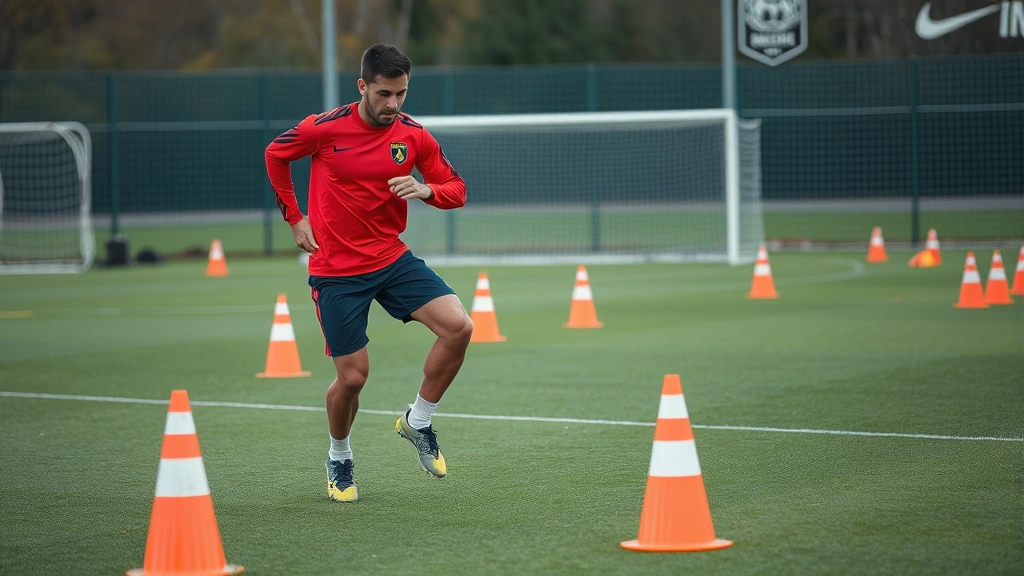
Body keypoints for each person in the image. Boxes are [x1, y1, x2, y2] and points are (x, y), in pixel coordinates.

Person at [265, 43, 472, 503]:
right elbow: (274, 155)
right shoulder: (322, 129)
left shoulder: (413, 135)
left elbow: (456, 189)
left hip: (391, 259)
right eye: (384, 94)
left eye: (401, 94)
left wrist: (424, 188)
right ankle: (339, 456)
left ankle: (418, 421)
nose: (393, 104)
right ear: (363, 86)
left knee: (459, 327)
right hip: (336, 271)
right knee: (354, 377)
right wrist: (294, 217)